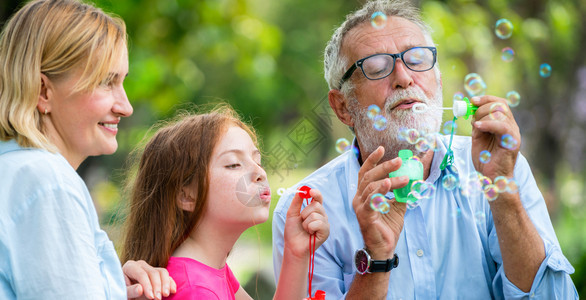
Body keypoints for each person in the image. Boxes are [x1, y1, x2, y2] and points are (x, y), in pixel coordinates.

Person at [272, 0, 578, 299]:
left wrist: (503, 193)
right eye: (377, 67)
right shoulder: (305, 211)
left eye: (417, 60)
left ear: (439, 81)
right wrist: (376, 259)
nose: (404, 78)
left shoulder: (497, 168)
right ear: (342, 107)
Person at [0, 0, 175, 299]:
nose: (126, 107)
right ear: (43, 91)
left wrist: (109, 283)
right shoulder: (47, 181)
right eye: (106, 82)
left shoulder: (17, 171)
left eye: (122, 82)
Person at [121, 104, 329, 300]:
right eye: (234, 164)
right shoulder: (196, 290)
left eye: (258, 161)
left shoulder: (209, 269)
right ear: (186, 196)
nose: (259, 172)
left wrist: (296, 252)